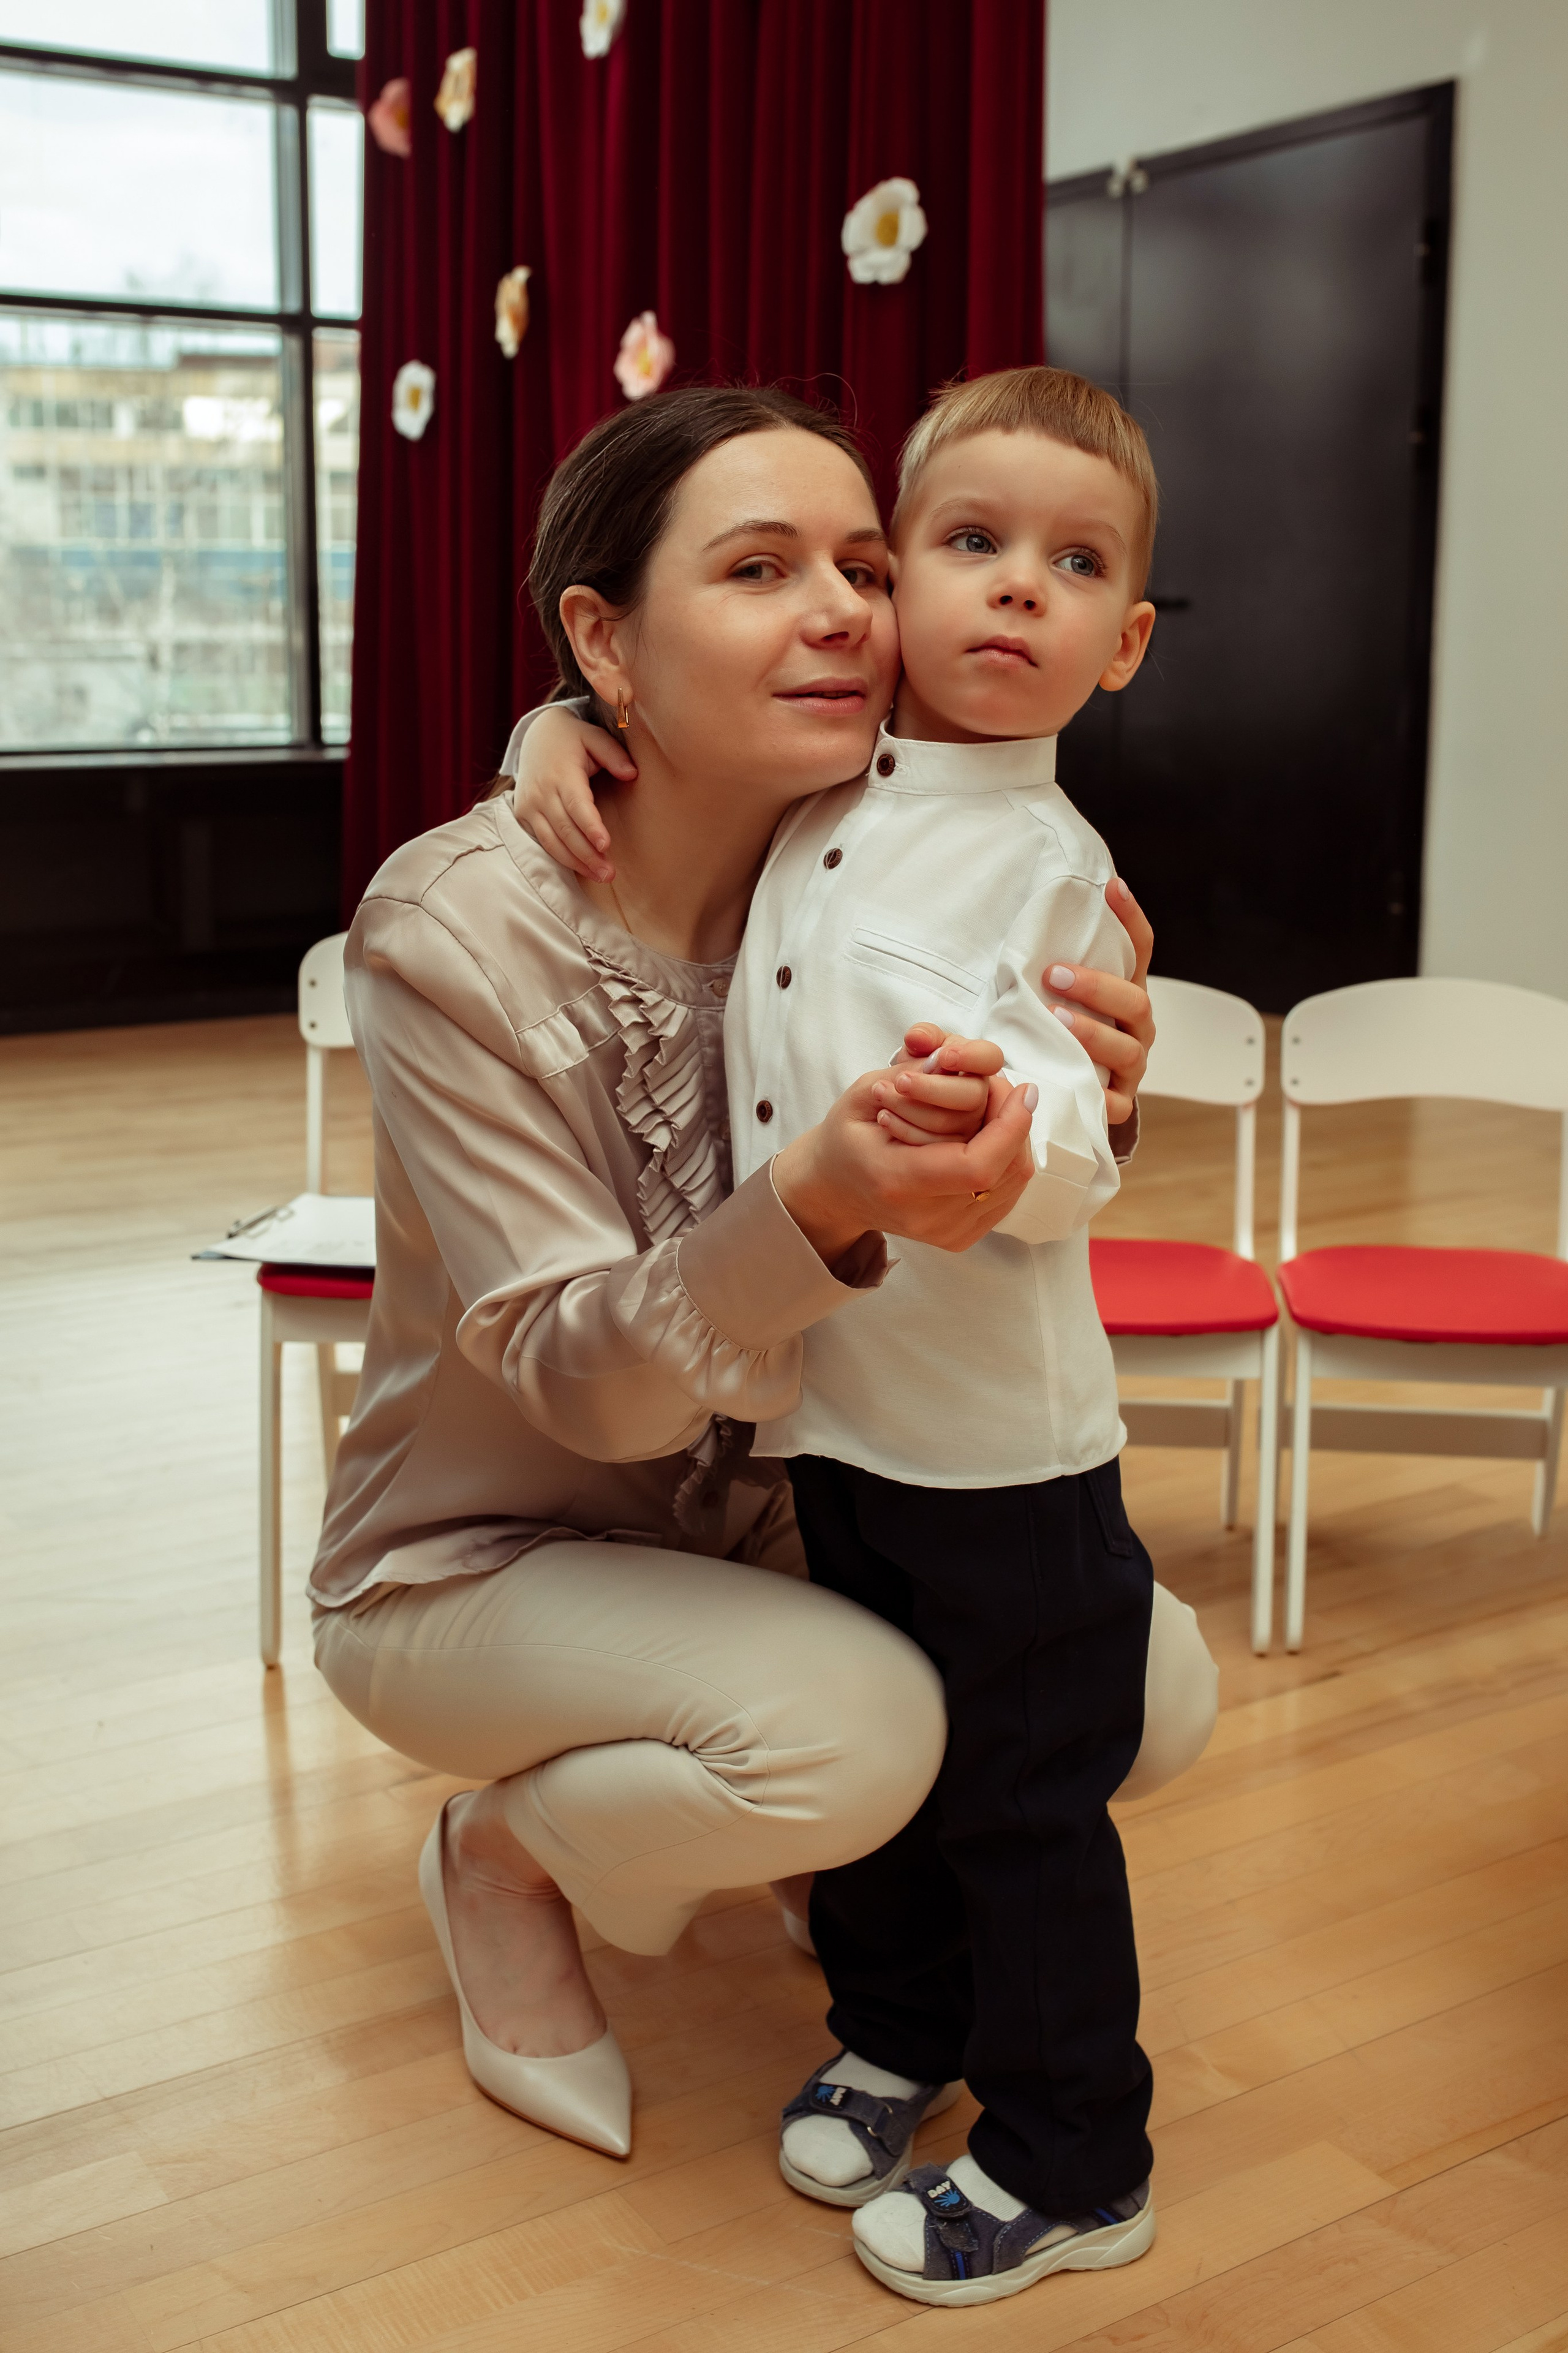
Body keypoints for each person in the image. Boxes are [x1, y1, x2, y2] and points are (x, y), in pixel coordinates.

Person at [310, 383, 1208, 2182]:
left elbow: (1025, 1028)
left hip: (779, 1506)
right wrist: (812, 1201)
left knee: (1147, 1680)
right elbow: (584, 1380)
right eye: (758, 567)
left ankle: (836, 1860)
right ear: (603, 640)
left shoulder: (852, 855)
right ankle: (507, 1851)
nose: (846, 613)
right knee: (874, 1729)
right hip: (492, 1552)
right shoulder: (454, 931)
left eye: (867, 564)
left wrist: (1085, 1082)